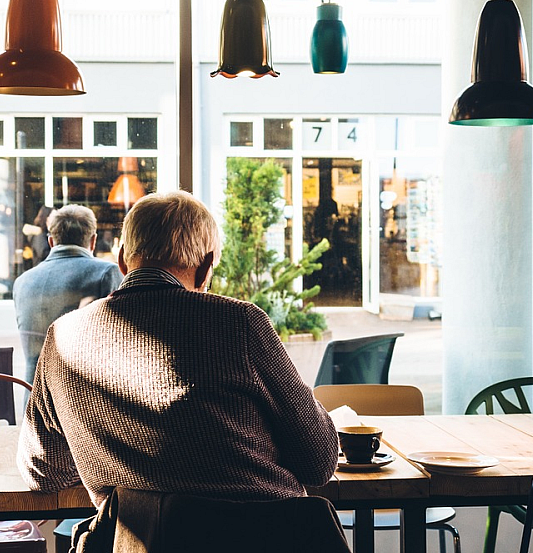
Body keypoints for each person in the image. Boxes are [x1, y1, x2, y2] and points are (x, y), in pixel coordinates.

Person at [17, 189, 339, 513]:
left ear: (122, 260)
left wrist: (107, 456)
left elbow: (43, 472)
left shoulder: (63, 337)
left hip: (137, 545)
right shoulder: (240, 323)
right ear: (205, 268)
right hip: (268, 539)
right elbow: (319, 462)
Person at [12, 204, 123, 385]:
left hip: (33, 401)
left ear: (51, 242)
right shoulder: (106, 273)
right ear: (93, 241)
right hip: (81, 401)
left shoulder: (22, 281)